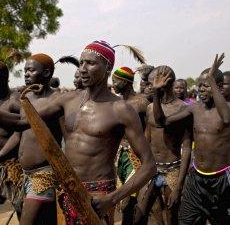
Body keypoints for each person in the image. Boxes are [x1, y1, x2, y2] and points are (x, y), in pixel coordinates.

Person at [0, 40, 156, 224]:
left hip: (98, 194)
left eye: (90, 63)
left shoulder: (121, 109)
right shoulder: (67, 100)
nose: (82, 68)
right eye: (81, 62)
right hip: (65, 189)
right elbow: (21, 121)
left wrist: (112, 198)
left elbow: (149, 166)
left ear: (107, 67)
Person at [152, 54, 230, 224]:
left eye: (207, 85)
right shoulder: (194, 109)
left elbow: (226, 119)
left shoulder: (226, 108)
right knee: (186, 220)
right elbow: (161, 122)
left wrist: (211, 78)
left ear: (217, 86)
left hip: (221, 180)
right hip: (196, 179)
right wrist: (157, 93)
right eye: (200, 85)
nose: (201, 89)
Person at [0, 54, 62, 224]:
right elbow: (19, 133)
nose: (26, 74)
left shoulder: (56, 100)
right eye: (25, 70)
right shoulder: (27, 99)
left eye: (31, 70)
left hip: (43, 174)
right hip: (25, 173)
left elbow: (67, 137)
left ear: (47, 72)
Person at [134, 66, 192, 225]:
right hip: (151, 168)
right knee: (140, 214)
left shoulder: (183, 109)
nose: (150, 86)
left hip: (172, 170)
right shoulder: (150, 107)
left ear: (166, 83)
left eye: (153, 82)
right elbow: (148, 138)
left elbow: (186, 147)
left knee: (171, 217)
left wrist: (179, 185)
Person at [112, 67, 150, 224]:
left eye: (115, 81)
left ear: (125, 82)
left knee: (130, 200)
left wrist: (143, 153)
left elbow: (150, 129)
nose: (112, 84)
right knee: (123, 201)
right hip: (121, 156)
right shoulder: (118, 102)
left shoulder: (141, 102)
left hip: (136, 157)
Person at [0, 61, 23, 219]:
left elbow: (20, 132)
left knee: (21, 208)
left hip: (12, 165)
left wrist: (1, 153)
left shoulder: (15, 101)